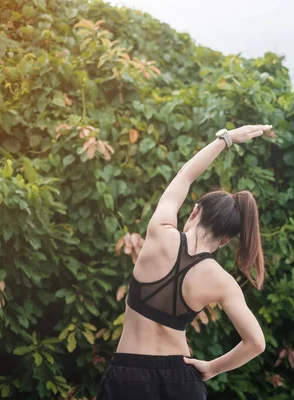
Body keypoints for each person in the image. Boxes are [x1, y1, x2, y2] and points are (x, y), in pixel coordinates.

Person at [97, 124, 273, 399]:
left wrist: (226, 139)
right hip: (181, 381)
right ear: (227, 240)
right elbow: (256, 343)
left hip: (128, 378)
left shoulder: (159, 233)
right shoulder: (222, 283)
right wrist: (212, 368)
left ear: (194, 212)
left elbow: (186, 174)